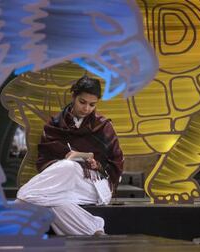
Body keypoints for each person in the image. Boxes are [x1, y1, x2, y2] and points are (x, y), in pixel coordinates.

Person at [16, 75, 124, 236]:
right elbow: (44, 160)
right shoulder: (54, 125)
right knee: (50, 197)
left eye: (92, 104)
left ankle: (23, 197)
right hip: (62, 182)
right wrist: (68, 158)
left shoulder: (104, 126)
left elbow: (116, 163)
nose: (87, 108)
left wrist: (98, 166)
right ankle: (94, 230)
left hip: (94, 185)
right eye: (82, 102)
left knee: (67, 170)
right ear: (73, 97)